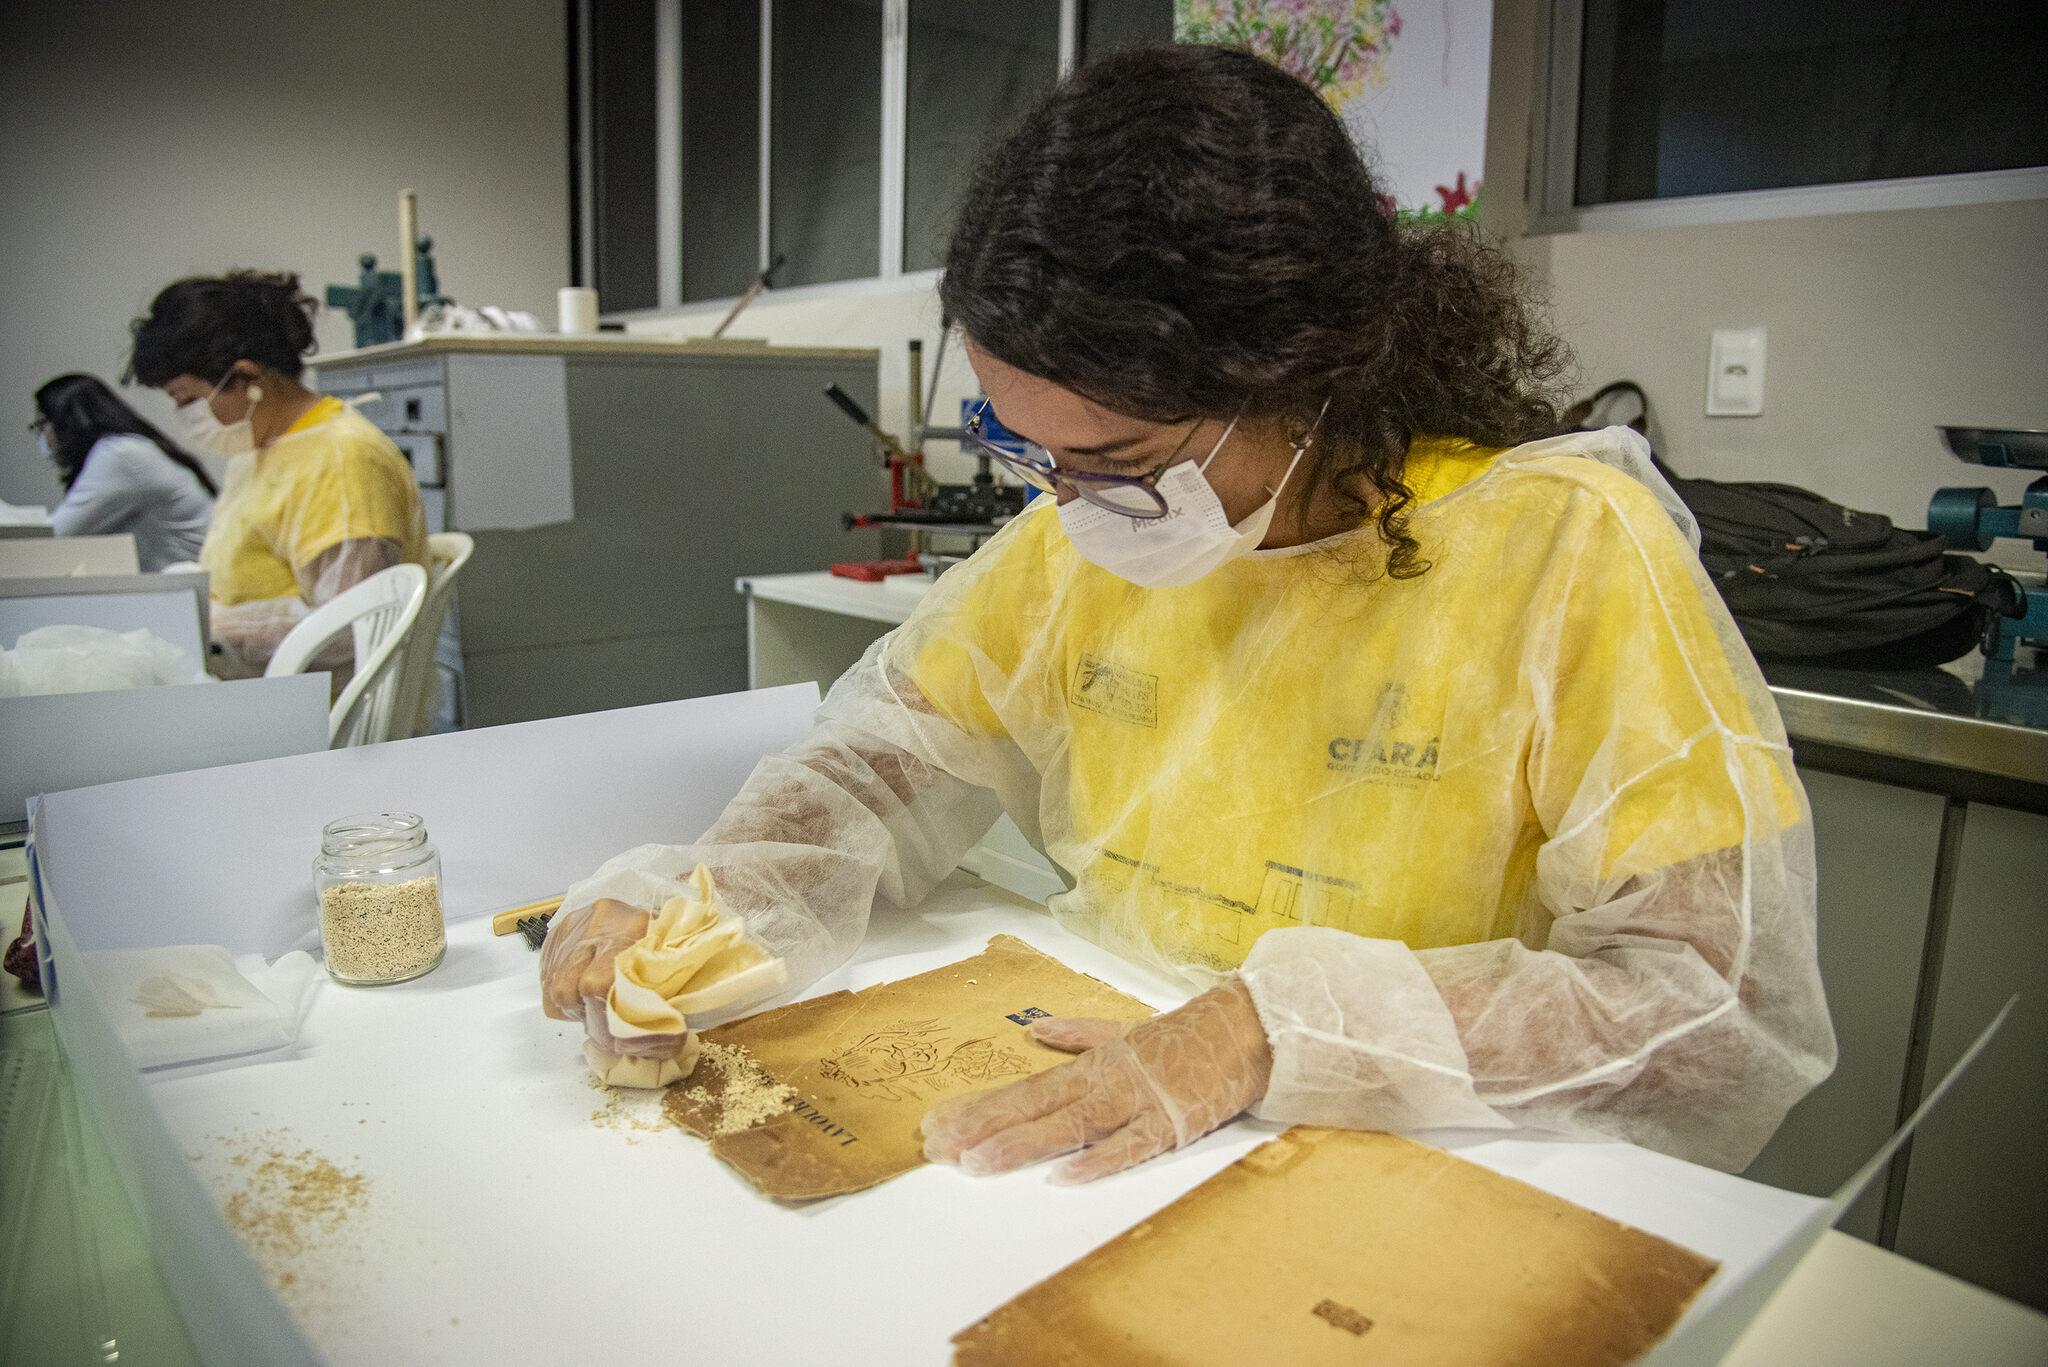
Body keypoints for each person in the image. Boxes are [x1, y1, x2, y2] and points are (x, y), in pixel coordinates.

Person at [540, 46, 1835, 1183]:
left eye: (1121, 459)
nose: (1069, 504)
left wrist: (1273, 1026)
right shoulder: (1067, 546)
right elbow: (878, 762)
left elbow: (1710, 1005)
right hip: (1103, 1095)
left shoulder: (1564, 553)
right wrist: (704, 907)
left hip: (1422, 1151)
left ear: (1301, 374)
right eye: (1026, 449)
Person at [125, 270, 427, 677]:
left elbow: (348, 634)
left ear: (247, 376)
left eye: (188, 399)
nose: (185, 418)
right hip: (256, 684)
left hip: (314, 707)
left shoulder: (341, 460)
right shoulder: (261, 449)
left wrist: (212, 627)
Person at [31, 373, 215, 572]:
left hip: (193, 588)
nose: (42, 436)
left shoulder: (120, 455)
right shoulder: (130, 448)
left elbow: (53, 536)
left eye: (41, 425)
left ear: (66, 422)